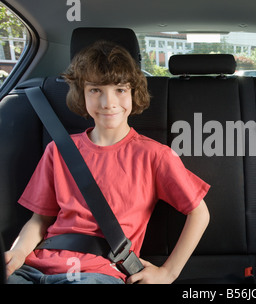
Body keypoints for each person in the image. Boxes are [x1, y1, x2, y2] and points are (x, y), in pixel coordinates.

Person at [5, 41, 210, 284]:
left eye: (120, 90)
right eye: (95, 90)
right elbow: (40, 220)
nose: (108, 103)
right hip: (36, 267)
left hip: (98, 273)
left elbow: (199, 213)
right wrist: (17, 253)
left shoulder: (155, 156)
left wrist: (168, 272)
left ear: (134, 93)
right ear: (82, 94)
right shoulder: (58, 150)